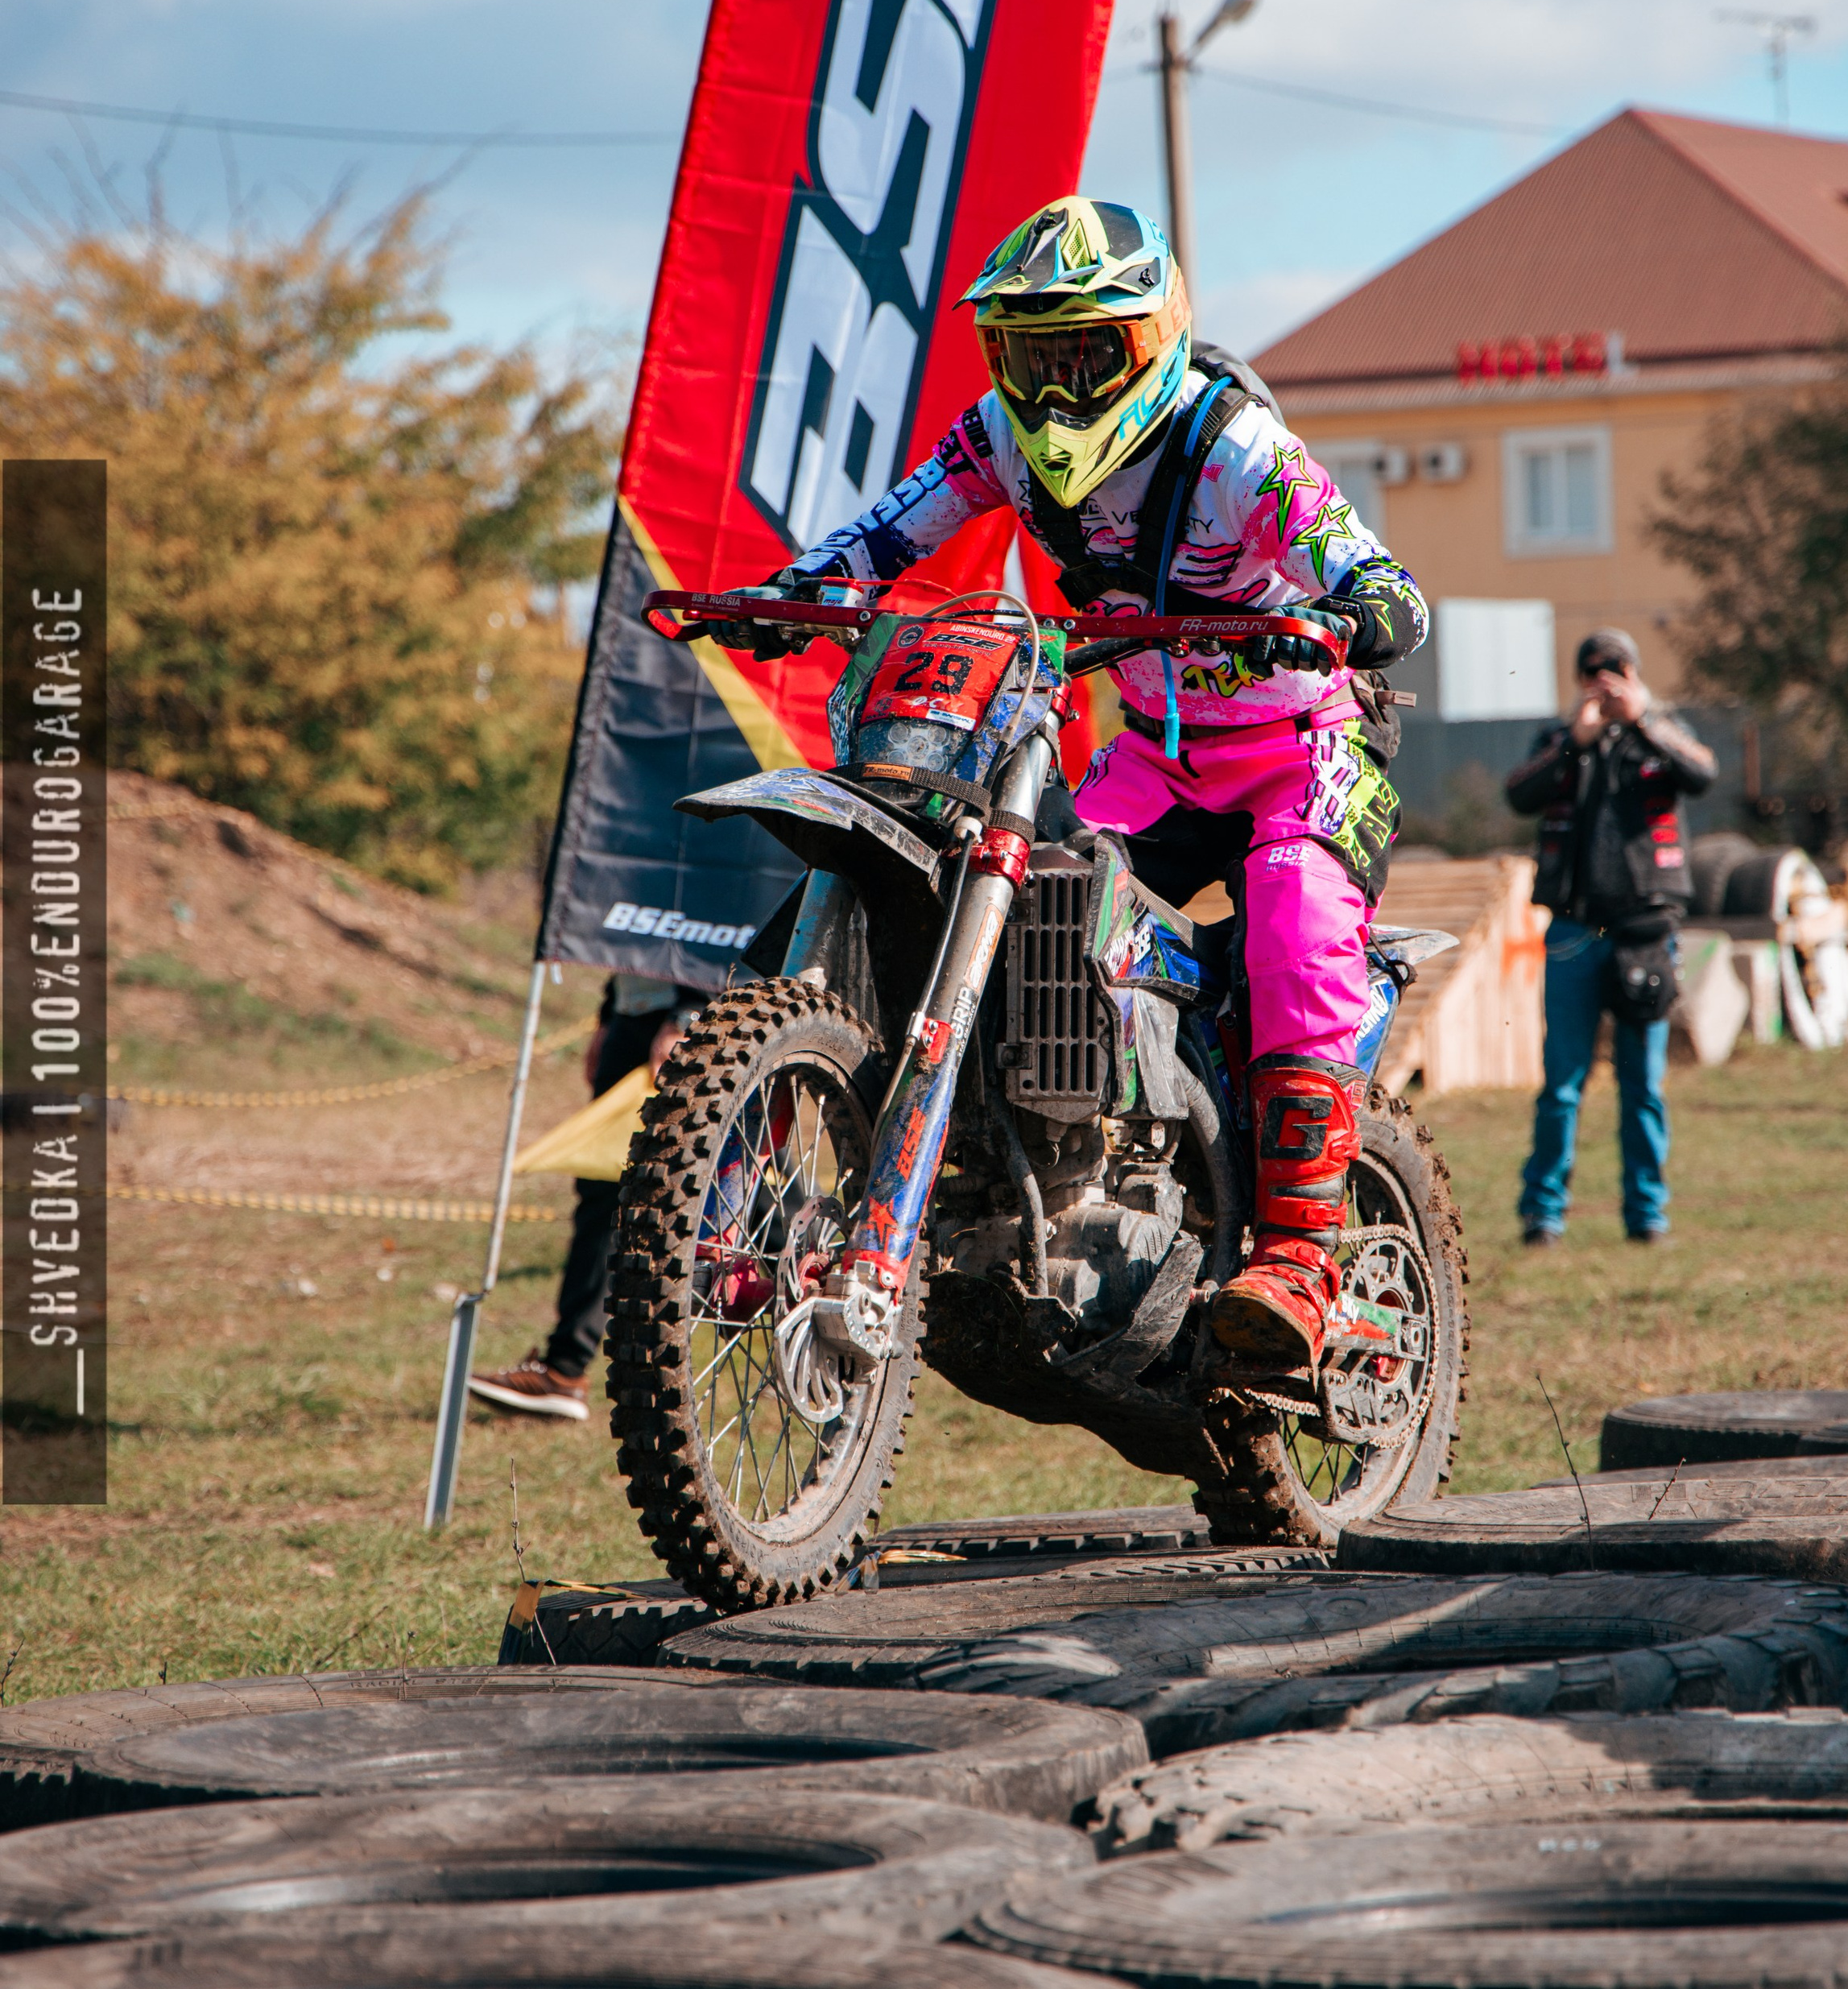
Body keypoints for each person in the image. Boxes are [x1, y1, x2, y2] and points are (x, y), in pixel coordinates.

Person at [714, 193, 1428, 1380]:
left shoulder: (1235, 448)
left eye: (1080, 352)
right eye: (1026, 354)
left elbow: (1386, 585)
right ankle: (1039, 1169)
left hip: (1297, 753)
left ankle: (1300, 1257)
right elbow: (890, 531)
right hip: (1152, 756)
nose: (1050, 390)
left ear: (1147, 343)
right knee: (1028, 907)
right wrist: (796, 591)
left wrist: (1339, 616)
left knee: (1295, 926)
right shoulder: (999, 433)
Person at [1505, 628, 1716, 1247]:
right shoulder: (1562, 739)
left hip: (1645, 933)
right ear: (1577, 680)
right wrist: (1577, 741)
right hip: (1574, 930)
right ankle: (1544, 1215)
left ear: (1636, 672)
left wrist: (1643, 719)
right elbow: (1520, 793)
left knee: (1643, 1086)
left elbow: (1702, 774)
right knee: (1562, 1086)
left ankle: (1647, 1216)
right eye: (1593, 670)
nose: (1605, 680)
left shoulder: (1662, 730)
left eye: (1616, 668)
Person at [468, 974, 701, 1420]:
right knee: (604, 1191)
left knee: (745, 1180)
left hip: (698, 1016)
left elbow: (721, 914)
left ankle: (829, 1297)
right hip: (635, 1015)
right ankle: (563, 1372)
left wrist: (688, 1013)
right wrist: (611, 1014)